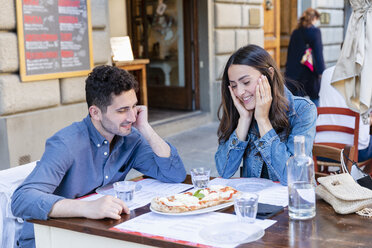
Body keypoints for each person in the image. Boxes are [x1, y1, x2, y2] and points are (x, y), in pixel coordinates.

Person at [11, 65, 186, 248]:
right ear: (95, 112)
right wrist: (88, 207)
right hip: (50, 239)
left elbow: (175, 174)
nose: (132, 117)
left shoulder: (130, 138)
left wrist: (146, 129)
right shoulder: (66, 143)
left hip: (95, 235)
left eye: (134, 106)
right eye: (122, 110)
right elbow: (22, 199)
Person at [215, 44, 317, 186]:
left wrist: (262, 120)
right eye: (233, 85)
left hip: (296, 202)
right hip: (256, 201)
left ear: (269, 74)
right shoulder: (240, 110)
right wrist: (244, 120)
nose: (239, 92)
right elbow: (224, 171)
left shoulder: (303, 110)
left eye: (246, 82)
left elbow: (294, 177)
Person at [316, 66, 372, 162]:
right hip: (356, 151)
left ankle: (348, 173)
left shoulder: (326, 73)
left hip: (322, 149)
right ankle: (360, 175)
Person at [285, 8, 325, 106]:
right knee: (315, 97)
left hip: (296, 72)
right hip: (310, 71)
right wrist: (321, 71)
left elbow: (291, 52)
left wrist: (288, 70)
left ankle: (299, 119)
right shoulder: (315, 32)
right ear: (314, 18)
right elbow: (318, 52)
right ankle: (316, 118)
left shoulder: (296, 32)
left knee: (297, 99)